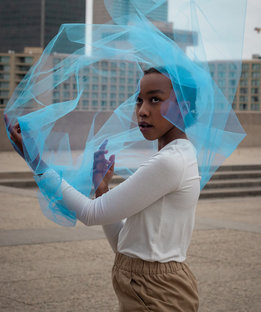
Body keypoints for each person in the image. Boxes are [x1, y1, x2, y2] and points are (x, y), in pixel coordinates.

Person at [6, 67, 200, 311]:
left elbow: (90, 214)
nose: (142, 110)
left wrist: (37, 163)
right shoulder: (177, 156)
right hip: (148, 289)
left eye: (155, 99)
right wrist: (102, 189)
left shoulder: (169, 162)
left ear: (183, 107)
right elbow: (124, 246)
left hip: (157, 295)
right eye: (139, 100)